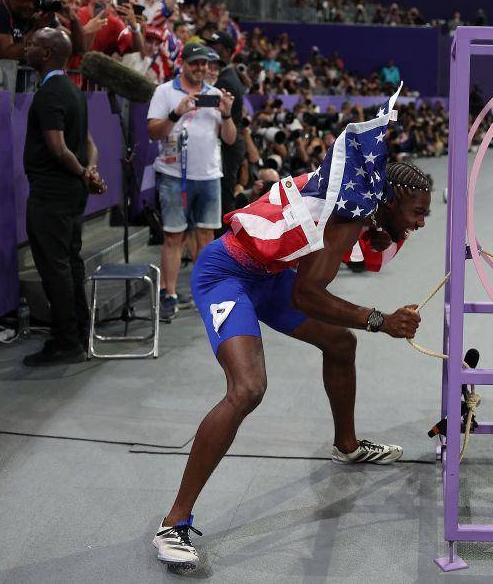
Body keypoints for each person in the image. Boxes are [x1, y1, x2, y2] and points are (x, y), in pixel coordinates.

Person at [152, 93, 429, 569]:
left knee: (339, 342)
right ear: (390, 200)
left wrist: (379, 239)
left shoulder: (354, 198)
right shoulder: (349, 212)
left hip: (268, 275)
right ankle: (173, 522)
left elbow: (315, 264)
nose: (422, 222)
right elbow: (308, 295)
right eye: (417, 212)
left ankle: (346, 446)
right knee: (247, 389)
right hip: (226, 274)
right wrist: (380, 321)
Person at [22, 27, 106, 366]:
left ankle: (66, 341)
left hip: (52, 193)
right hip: (71, 194)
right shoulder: (72, 90)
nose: (25, 48)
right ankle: (79, 332)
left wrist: (84, 172)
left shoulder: (49, 94)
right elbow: (89, 143)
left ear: (46, 53)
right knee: (70, 264)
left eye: (32, 44)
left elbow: (58, 148)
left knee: (55, 268)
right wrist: (90, 170)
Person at [147, 42, 236, 319]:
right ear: (182, 63)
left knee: (206, 237)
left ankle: (204, 293)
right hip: (173, 175)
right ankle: (169, 293)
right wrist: (177, 112)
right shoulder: (164, 91)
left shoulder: (215, 95)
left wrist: (227, 113)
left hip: (209, 175)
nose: (200, 68)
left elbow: (230, 138)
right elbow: (153, 132)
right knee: (173, 236)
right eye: (195, 62)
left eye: (204, 63)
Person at [205, 32, 247, 221]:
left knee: (224, 196)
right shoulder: (228, 76)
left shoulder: (224, 81)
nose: (210, 48)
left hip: (228, 144)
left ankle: (224, 234)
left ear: (228, 51)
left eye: (216, 46)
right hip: (231, 142)